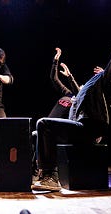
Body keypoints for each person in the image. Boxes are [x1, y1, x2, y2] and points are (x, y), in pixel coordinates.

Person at [31, 8, 111, 191]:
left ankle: (50, 176)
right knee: (37, 134)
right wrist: (70, 76)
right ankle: (37, 173)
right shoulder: (100, 83)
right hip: (80, 126)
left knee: (44, 124)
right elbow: (80, 92)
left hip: (88, 129)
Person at [32, 47, 81, 180]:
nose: (81, 87)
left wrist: (72, 79)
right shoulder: (68, 93)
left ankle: (48, 173)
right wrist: (55, 61)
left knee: (41, 132)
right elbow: (54, 79)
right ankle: (35, 171)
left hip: (59, 131)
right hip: (47, 127)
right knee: (35, 134)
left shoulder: (81, 100)